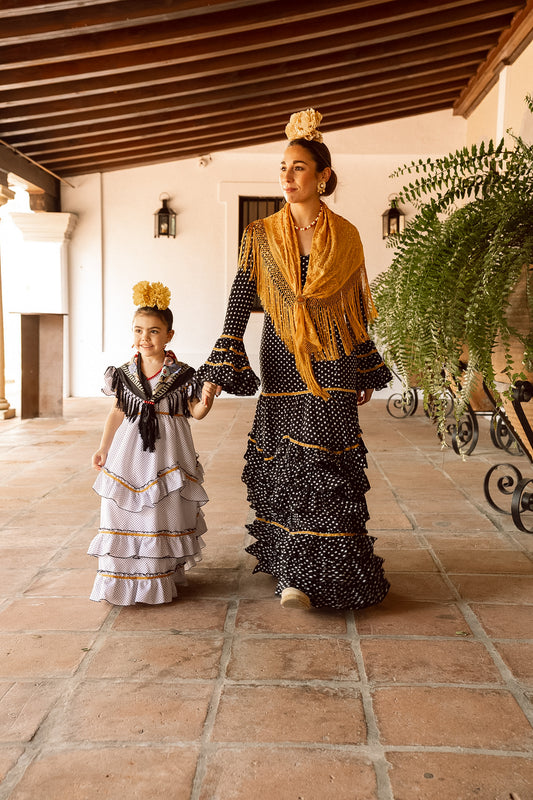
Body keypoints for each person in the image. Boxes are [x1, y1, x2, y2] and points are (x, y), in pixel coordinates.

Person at [197, 108, 392, 611]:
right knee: (290, 461)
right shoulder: (260, 235)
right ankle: (293, 574)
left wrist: (365, 363)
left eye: (298, 167)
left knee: (324, 461)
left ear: (322, 176)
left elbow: (353, 308)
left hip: (333, 359)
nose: (287, 176)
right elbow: (241, 297)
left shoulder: (346, 236)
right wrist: (220, 366)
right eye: (282, 167)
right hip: (282, 358)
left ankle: (324, 573)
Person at [88, 281, 215, 605]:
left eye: (154, 331)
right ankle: (123, 580)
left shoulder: (183, 375)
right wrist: (104, 447)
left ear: (169, 335)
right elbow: (117, 412)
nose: (145, 338)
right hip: (129, 454)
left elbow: (195, 413)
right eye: (138, 330)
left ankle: (159, 576)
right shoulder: (123, 374)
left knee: (162, 510)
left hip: (168, 454)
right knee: (122, 509)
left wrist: (207, 400)